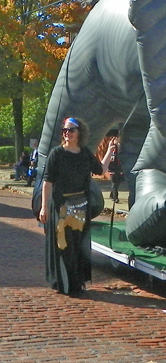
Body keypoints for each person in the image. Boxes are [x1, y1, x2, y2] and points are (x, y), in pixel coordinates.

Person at [38, 117, 115, 296]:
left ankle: (76, 282)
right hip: (61, 207)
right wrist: (44, 207)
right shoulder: (56, 154)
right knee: (64, 246)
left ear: (79, 132)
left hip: (81, 207)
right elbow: (47, 182)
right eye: (65, 130)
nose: (67, 133)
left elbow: (100, 170)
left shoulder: (85, 153)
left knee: (78, 246)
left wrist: (110, 151)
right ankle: (65, 283)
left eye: (71, 130)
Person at [108, 136, 124, 203]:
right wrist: (110, 170)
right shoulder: (112, 149)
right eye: (115, 139)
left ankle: (112, 195)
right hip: (113, 170)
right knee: (114, 184)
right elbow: (110, 160)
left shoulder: (121, 148)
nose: (117, 140)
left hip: (119, 169)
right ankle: (115, 198)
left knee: (117, 184)